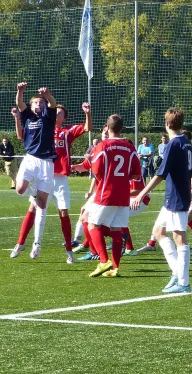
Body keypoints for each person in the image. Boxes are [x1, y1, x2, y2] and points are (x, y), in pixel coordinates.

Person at [10, 101, 92, 263]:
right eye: (56, 112)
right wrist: (17, 118)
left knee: (63, 213)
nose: (56, 114)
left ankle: (69, 251)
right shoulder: (42, 127)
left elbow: (86, 128)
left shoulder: (66, 132)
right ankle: (21, 243)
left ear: (63, 118)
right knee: (34, 208)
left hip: (60, 179)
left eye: (60, 113)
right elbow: (22, 134)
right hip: (44, 174)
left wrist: (87, 113)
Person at [132, 108, 192, 293]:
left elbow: (160, 174)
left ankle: (184, 283)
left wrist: (140, 194)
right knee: (158, 232)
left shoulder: (173, 144)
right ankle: (176, 273)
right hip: (175, 197)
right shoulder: (185, 142)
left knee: (180, 239)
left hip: (177, 197)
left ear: (167, 124)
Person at [71, 114, 141, 278]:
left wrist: (77, 167)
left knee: (91, 224)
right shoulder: (130, 148)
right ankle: (115, 268)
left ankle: (103, 261)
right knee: (116, 231)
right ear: (121, 129)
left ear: (107, 128)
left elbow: (94, 169)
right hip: (123, 196)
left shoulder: (102, 146)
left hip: (105, 194)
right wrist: (76, 167)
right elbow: (136, 175)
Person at [137, 129, 192, 255]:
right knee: (166, 216)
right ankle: (152, 243)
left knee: (187, 218)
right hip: (184, 191)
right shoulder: (181, 154)